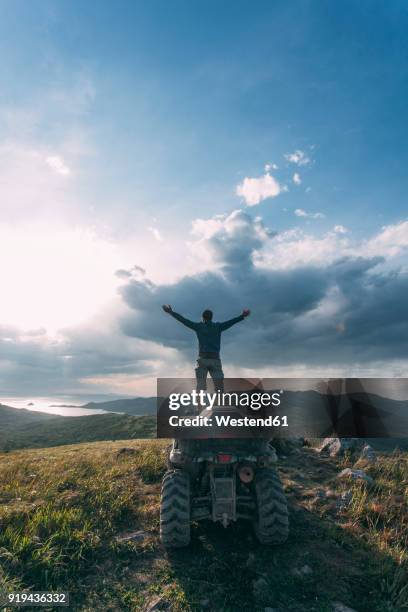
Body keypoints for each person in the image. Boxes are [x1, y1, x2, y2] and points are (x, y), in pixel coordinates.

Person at [162, 305, 250, 391]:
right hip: (215, 359)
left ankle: (199, 405)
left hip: (202, 359)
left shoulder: (198, 327)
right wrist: (242, 316)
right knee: (219, 386)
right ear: (212, 317)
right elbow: (231, 322)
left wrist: (171, 312)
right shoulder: (218, 327)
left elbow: (184, 320)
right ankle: (219, 403)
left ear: (202, 318)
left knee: (200, 386)